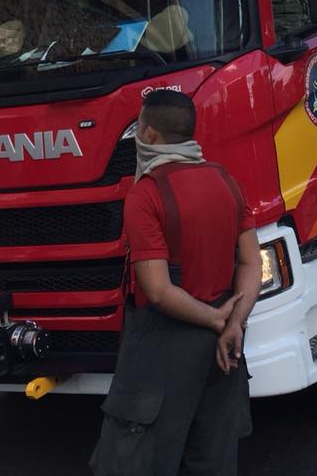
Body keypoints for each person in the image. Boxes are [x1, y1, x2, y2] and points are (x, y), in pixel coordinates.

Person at [90, 90, 260, 476]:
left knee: (133, 461)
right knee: (213, 458)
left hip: (164, 348)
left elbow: (160, 291)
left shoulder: (145, 195)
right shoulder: (226, 183)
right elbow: (251, 262)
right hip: (221, 354)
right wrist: (233, 323)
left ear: (149, 134)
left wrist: (218, 321)